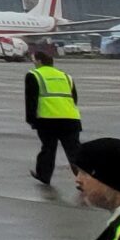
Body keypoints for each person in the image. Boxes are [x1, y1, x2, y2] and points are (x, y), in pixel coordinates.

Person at [26, 44, 83, 187]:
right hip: (71, 118)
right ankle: (86, 180)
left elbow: (31, 99)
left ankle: (44, 176)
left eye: (34, 59)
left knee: (48, 149)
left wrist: (31, 120)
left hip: (47, 119)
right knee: (74, 151)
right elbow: (74, 98)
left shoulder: (34, 75)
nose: (33, 62)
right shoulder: (66, 76)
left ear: (39, 61)